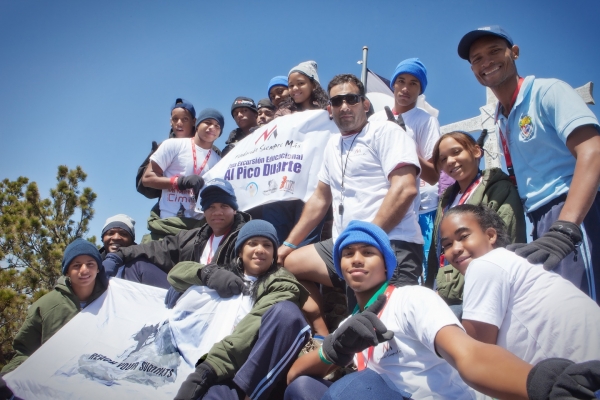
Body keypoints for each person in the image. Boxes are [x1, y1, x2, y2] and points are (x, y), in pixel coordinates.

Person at [284, 220, 535, 400]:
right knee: (303, 388)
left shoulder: (412, 298)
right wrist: (336, 349)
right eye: (347, 254)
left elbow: (468, 353)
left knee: (358, 387)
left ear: (386, 266)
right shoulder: (350, 324)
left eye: (368, 252)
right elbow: (294, 376)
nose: (356, 259)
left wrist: (538, 384)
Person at [458, 25, 600, 303]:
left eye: (495, 51)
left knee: (587, 307)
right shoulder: (501, 118)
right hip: (537, 221)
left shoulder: (547, 91)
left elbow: (592, 150)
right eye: (477, 59)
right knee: (563, 316)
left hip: (574, 210)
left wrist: (566, 226)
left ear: (515, 52)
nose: (486, 62)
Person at [279, 74, 423, 336]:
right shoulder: (332, 145)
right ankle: (322, 336)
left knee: (389, 334)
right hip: (346, 245)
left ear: (365, 104)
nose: (344, 106)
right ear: (329, 109)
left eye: (351, 99)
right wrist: (288, 245)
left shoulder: (386, 131)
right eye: (337, 101)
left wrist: (366, 241)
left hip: (391, 242)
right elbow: (320, 198)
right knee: (289, 263)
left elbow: (405, 188)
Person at [439, 204, 600, 364]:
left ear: (490, 235)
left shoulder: (484, 265)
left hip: (587, 377)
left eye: (463, 236)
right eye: (447, 245)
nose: (456, 249)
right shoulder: (514, 262)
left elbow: (476, 358)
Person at [171, 220, 310, 400]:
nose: (260, 249)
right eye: (252, 243)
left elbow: (251, 328)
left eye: (267, 245)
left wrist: (208, 369)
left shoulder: (283, 284)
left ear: (274, 254)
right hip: (206, 355)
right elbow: (176, 273)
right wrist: (208, 274)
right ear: (240, 250)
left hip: (242, 365)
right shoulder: (227, 272)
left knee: (286, 311)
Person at [427, 132, 526, 316]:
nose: (450, 161)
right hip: (447, 294)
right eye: (443, 159)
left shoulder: (498, 189)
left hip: (486, 293)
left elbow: (505, 241)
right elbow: (437, 250)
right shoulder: (445, 200)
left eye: (456, 152)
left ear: (476, 151)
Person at [369, 58, 441, 283]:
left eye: (413, 83)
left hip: (402, 222)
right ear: (393, 85)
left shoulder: (424, 121)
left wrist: (406, 146)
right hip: (369, 213)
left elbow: (433, 175)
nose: (405, 88)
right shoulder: (374, 119)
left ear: (420, 90)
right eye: (401, 81)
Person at [103, 178, 251, 281]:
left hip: (224, 301)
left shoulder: (247, 238)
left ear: (235, 210)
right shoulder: (192, 238)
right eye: (211, 207)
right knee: (136, 267)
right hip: (188, 298)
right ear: (203, 211)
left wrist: (185, 281)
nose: (217, 212)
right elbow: (154, 249)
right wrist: (116, 256)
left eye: (224, 206)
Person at [1, 239, 108, 376]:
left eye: (90, 264)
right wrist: (8, 377)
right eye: (76, 265)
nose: (84, 270)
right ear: (67, 271)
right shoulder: (46, 305)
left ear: (98, 268)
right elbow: (24, 352)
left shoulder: (110, 302)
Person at [141, 108, 224, 239]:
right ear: (197, 124)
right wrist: (179, 182)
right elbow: (147, 178)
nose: (212, 127)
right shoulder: (173, 145)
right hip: (166, 226)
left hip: (198, 230)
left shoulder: (219, 161)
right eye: (207, 122)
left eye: (217, 126)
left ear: (220, 132)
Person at [136, 98, 197, 200]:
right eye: (175, 119)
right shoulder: (163, 147)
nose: (179, 123)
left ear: (194, 121)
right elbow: (144, 187)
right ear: (170, 122)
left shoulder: (209, 149)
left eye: (185, 119)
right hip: (169, 209)